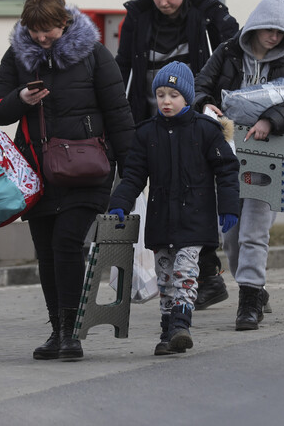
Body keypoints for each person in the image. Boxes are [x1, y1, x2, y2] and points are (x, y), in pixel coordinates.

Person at [0, 0, 134, 361]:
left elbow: (119, 112)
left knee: (67, 243)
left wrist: (131, 172)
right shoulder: (18, 57)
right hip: (38, 173)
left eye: (48, 30)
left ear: (64, 22)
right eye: (34, 31)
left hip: (88, 169)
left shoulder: (94, 55)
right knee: (47, 253)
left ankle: (72, 332)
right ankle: (57, 331)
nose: (41, 38)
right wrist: (20, 99)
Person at [115, 0, 239, 311]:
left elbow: (232, 49)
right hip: (149, 119)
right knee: (160, 193)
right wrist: (121, 115)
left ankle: (207, 274)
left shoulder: (205, 11)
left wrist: (213, 100)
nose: (163, 2)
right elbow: (122, 65)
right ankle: (186, 276)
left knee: (195, 190)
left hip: (194, 117)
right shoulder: (138, 17)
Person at [194, 0, 284, 331]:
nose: (273, 37)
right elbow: (200, 86)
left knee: (254, 230)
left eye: (280, 32)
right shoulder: (227, 52)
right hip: (228, 156)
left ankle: (248, 303)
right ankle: (255, 289)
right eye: (268, 30)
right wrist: (206, 105)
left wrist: (271, 120)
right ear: (256, 26)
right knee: (231, 233)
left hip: (269, 156)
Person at [108, 62, 240, 355]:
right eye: (161, 94)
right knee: (165, 278)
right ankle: (168, 331)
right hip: (160, 220)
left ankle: (182, 324)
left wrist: (229, 207)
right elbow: (133, 176)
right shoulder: (146, 133)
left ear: (188, 97)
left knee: (184, 272)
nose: (166, 101)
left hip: (195, 219)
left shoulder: (206, 130)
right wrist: (119, 204)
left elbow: (227, 170)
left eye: (173, 95)